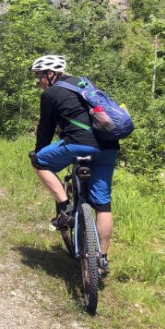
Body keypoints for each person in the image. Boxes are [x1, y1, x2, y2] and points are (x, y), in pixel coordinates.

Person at [27, 55, 118, 277]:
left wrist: (39, 151)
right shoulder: (84, 83)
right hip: (108, 146)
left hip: (79, 143)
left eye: (39, 77)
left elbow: (46, 128)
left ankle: (65, 207)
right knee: (103, 206)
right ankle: (102, 260)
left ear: (51, 74)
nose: (38, 82)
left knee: (39, 162)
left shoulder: (51, 94)